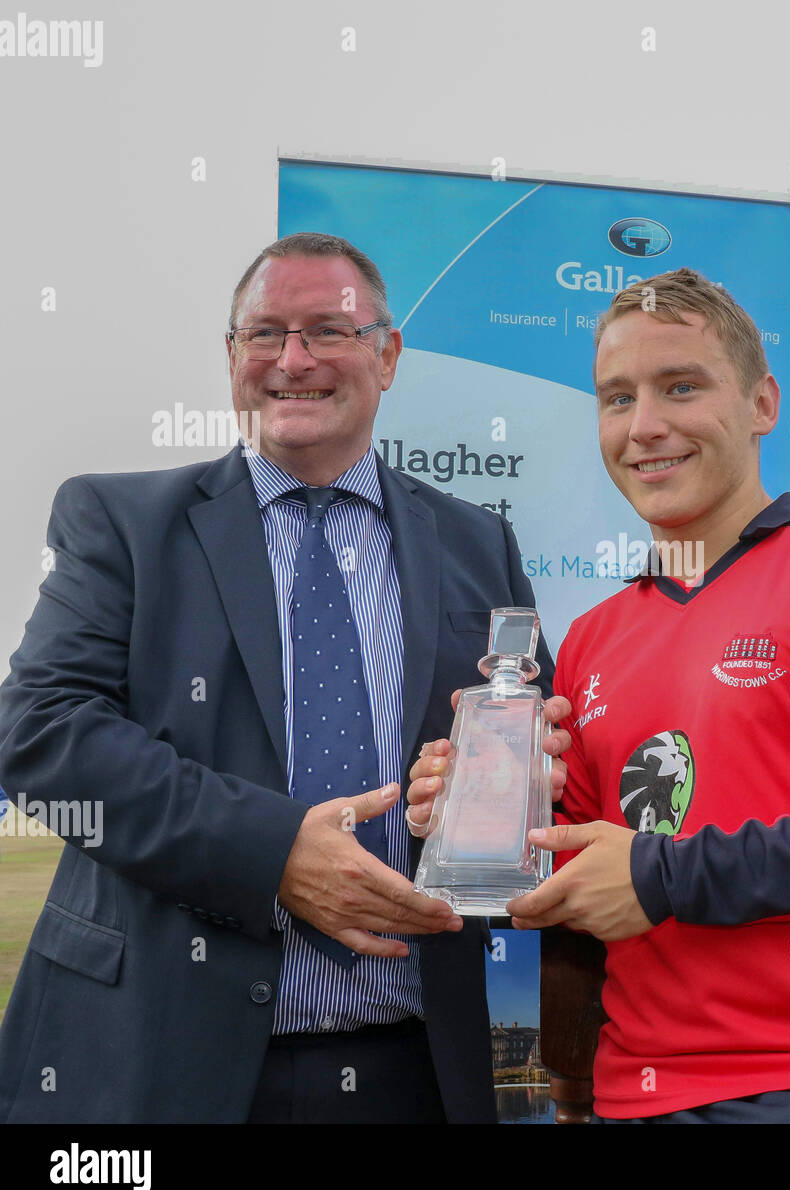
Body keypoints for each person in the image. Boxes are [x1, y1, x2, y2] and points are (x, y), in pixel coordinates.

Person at [0, 232, 569, 1124]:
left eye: (325, 332)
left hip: (427, 1071)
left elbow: (537, 770)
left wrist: (501, 783)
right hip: (166, 1066)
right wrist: (272, 852)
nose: (291, 360)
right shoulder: (122, 523)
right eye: (264, 334)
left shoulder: (477, 545)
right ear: (232, 359)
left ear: (387, 355)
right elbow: (38, 731)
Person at [410, 268, 790, 1123]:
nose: (645, 427)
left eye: (681, 386)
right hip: (630, 1091)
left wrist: (664, 875)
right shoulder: (594, 635)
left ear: (760, 403)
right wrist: (480, 810)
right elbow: (583, 872)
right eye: (616, 397)